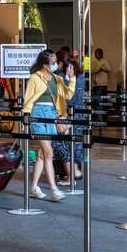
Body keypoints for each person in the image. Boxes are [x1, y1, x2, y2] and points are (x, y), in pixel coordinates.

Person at [23, 49, 75, 202]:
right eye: (53, 62)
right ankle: (54, 189)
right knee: (49, 152)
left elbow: (68, 95)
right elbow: (28, 99)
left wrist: (71, 79)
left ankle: (33, 187)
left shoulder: (57, 78)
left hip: (52, 114)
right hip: (37, 114)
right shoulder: (34, 78)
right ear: (44, 63)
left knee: (41, 155)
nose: (55, 64)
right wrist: (26, 116)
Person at [52, 52, 84, 185]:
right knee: (72, 143)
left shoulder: (70, 78)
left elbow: (70, 97)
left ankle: (73, 173)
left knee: (65, 143)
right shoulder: (80, 76)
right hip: (76, 114)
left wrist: (68, 79)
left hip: (70, 114)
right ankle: (74, 171)